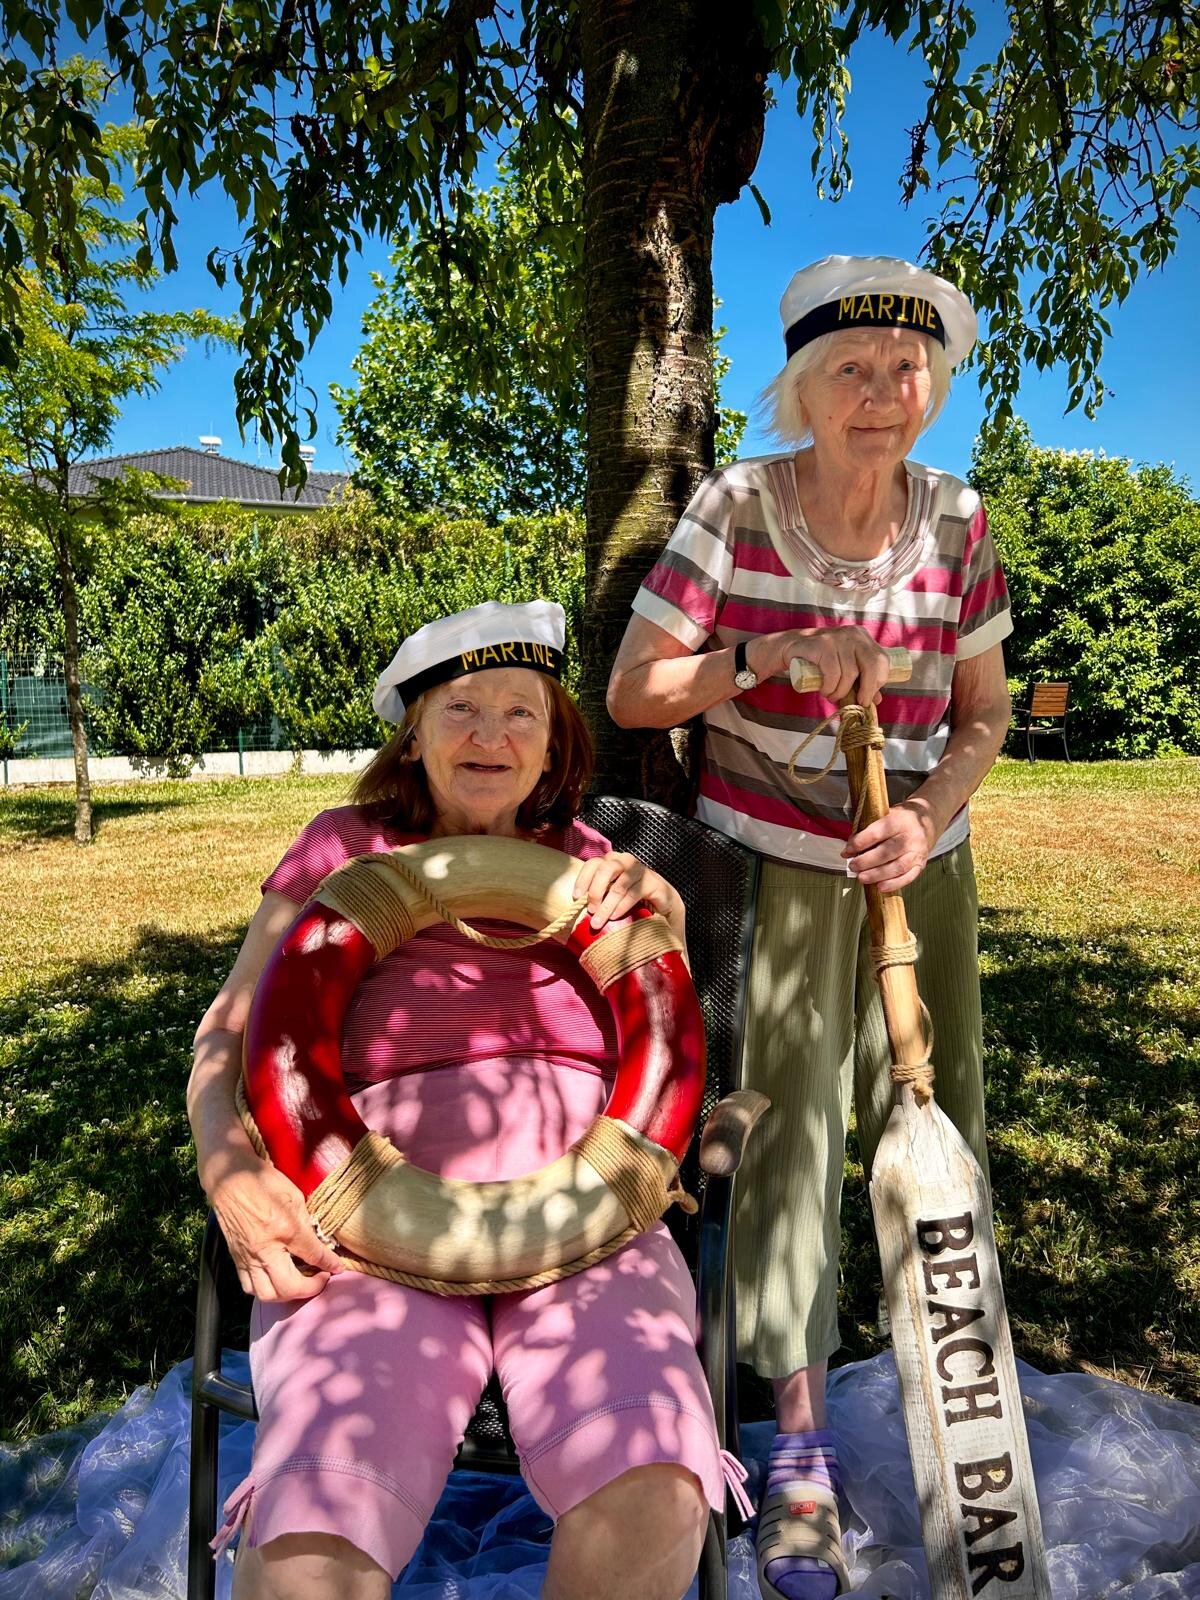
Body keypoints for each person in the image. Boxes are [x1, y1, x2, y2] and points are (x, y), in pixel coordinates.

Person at [188, 599, 741, 1600]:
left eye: (521, 711)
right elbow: (227, 1031)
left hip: (589, 1214)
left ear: (554, 744)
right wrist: (227, 1165)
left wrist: (667, 914)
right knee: (320, 1512)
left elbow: (669, 1041)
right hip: (367, 1216)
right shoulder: (342, 847)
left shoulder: (597, 873)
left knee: (653, 1475)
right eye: (462, 708)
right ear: (414, 734)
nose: (492, 734)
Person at [607, 256, 1014, 1600]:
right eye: (852, 369)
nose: (882, 393)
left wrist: (930, 813)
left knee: (934, 1114)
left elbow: (983, 714)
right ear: (801, 387)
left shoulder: (958, 520)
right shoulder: (737, 506)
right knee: (785, 1144)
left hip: (920, 864)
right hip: (775, 869)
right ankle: (797, 1452)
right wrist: (761, 659)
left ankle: (957, 1411)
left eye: (908, 369)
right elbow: (633, 691)